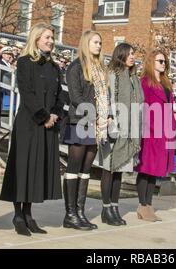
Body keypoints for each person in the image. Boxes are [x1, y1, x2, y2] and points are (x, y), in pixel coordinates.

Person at [0, 23, 66, 236]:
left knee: (37, 170)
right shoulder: (24, 62)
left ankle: (29, 215)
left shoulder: (55, 67)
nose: (50, 41)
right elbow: (26, 93)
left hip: (49, 126)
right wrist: (43, 116)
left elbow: (60, 95)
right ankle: (18, 215)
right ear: (36, 39)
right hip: (30, 124)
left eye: (52, 38)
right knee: (24, 168)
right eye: (47, 37)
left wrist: (55, 114)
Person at [62, 30, 108, 231]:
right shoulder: (75, 67)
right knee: (74, 168)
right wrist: (95, 116)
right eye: (95, 42)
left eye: (100, 42)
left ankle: (79, 212)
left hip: (96, 125)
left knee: (86, 170)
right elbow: (76, 97)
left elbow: (104, 97)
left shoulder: (99, 68)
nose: (99, 45)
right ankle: (70, 214)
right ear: (86, 44)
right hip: (79, 122)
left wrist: (106, 116)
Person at [99, 43, 144, 226]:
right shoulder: (112, 75)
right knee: (109, 169)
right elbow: (107, 99)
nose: (133, 56)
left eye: (134, 53)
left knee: (120, 172)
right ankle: (105, 208)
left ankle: (114, 207)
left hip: (130, 130)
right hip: (115, 128)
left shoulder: (134, 78)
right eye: (130, 53)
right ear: (121, 55)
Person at [135, 49, 176, 222]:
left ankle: (148, 205)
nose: (163, 64)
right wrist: (152, 126)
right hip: (150, 132)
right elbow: (143, 108)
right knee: (145, 170)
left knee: (155, 171)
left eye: (164, 61)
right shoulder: (145, 82)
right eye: (160, 61)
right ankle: (142, 205)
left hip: (164, 132)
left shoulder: (166, 84)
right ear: (151, 62)